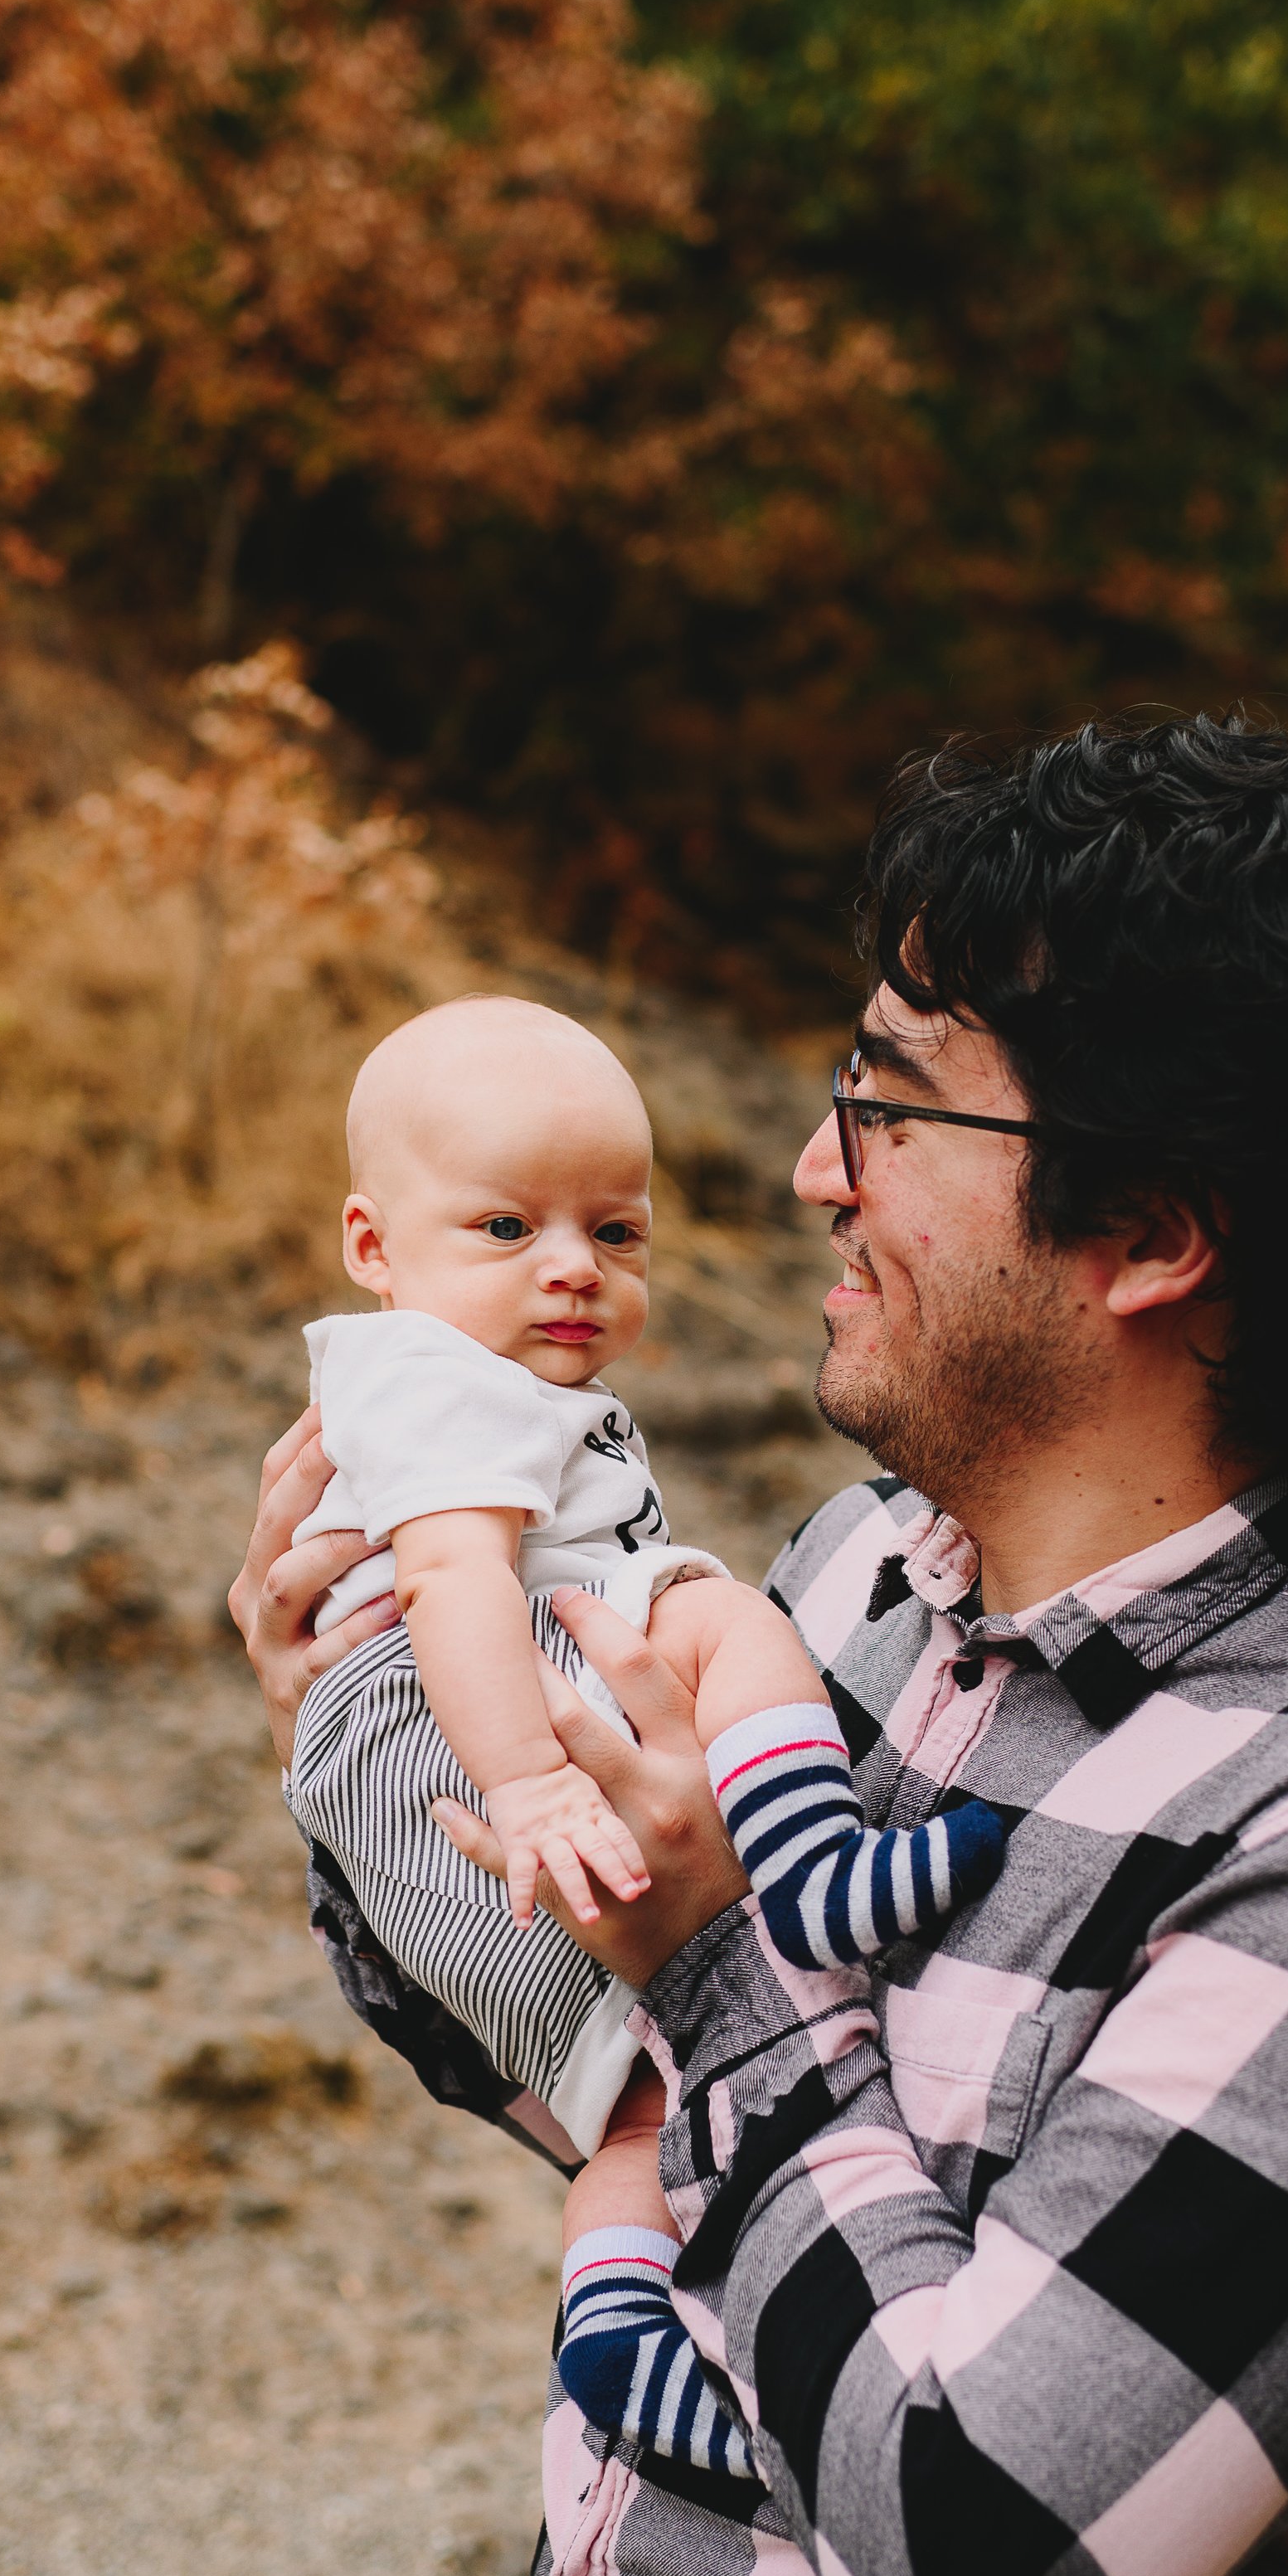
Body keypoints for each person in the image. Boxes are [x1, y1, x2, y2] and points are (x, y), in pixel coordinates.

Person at [231, 714, 1288, 2576]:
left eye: (884, 1094)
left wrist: (708, 1946)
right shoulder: (863, 1584)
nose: (806, 1167)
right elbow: (654, 2115)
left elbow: (980, 2567)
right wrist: (375, 1759)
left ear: (1148, 1229)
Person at [285, 994, 1003, 2467]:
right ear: (374, 1248)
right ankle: (809, 1862)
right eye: (505, 1229)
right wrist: (531, 1779)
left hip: (434, 1791)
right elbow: (453, 1579)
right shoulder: (442, 1381)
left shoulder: (447, 1380)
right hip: (481, 1714)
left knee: (636, 2120)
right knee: (712, 1610)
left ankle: (617, 2334)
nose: (572, 1270)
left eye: (617, 1234)